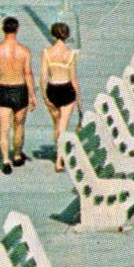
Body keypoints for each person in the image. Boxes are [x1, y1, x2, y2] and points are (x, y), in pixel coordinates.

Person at [0, 16, 34, 175]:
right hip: (20, 89)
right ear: (17, 29)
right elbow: (28, 73)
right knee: (19, 126)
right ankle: (16, 155)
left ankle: (5, 160)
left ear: (3, 29)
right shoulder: (24, 51)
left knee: (4, 128)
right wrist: (32, 95)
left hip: (4, 88)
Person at [40, 22, 80, 172]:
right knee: (63, 124)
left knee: (56, 123)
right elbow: (74, 78)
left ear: (52, 35)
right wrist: (79, 102)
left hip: (52, 87)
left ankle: (58, 151)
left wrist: (44, 96)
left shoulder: (46, 53)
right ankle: (59, 159)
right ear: (67, 35)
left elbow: (43, 76)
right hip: (66, 88)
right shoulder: (70, 54)